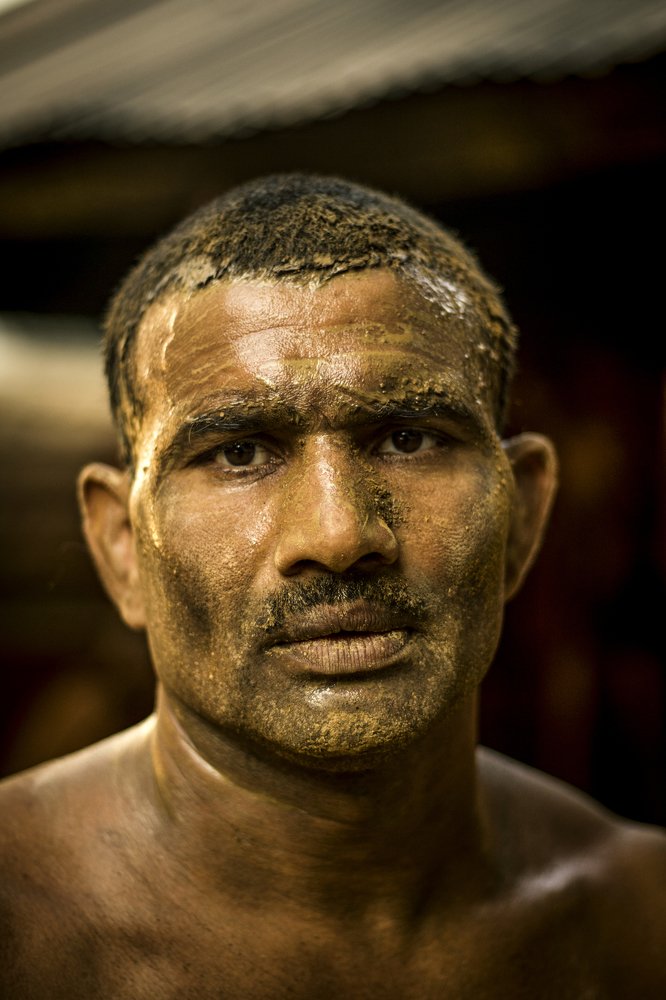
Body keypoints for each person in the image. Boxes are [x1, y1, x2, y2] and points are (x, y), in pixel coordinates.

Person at [1, 174, 663, 999]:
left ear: (524, 519)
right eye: (239, 451)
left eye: (410, 438)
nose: (340, 536)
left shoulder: (642, 919)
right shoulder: (19, 925)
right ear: (123, 546)